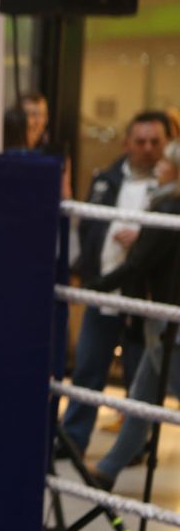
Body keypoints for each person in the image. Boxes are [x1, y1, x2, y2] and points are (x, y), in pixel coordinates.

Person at [59, 111, 172, 458]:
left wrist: (144, 239)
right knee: (88, 369)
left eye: (155, 142)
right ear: (127, 143)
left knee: (142, 380)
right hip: (104, 289)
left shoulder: (171, 190)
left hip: (144, 297)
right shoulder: (105, 179)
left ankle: (135, 447)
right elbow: (88, 227)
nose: (148, 148)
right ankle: (73, 440)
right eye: (141, 141)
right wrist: (89, 275)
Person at [85, 140, 180, 490]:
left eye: (166, 161)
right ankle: (107, 470)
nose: (158, 166)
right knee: (141, 398)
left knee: (155, 393)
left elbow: (139, 264)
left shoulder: (169, 208)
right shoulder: (164, 205)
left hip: (168, 319)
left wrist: (95, 287)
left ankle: (107, 469)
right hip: (161, 315)